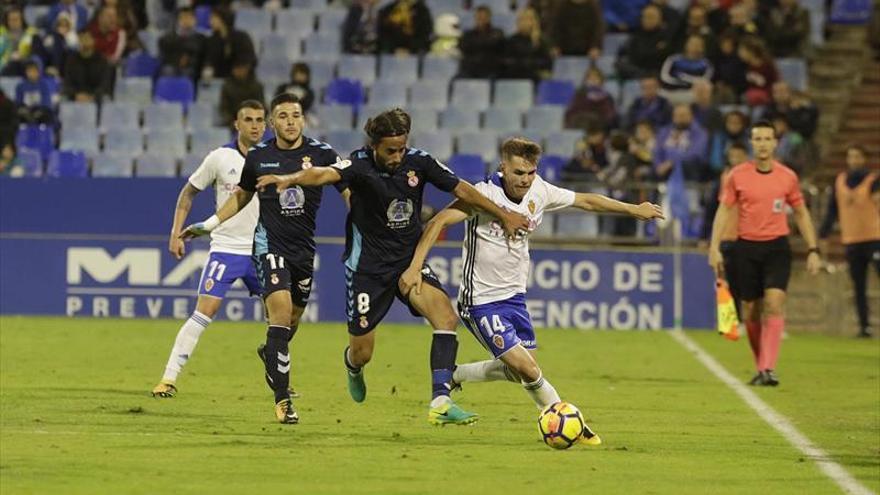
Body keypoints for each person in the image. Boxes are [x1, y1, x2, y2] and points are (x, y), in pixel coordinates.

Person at [253, 108, 531, 425]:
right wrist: (289, 178)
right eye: (390, 150)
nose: (397, 156)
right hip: (366, 271)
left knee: (445, 317)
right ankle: (352, 366)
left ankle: (440, 401)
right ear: (374, 146)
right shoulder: (358, 164)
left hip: (407, 263)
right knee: (363, 352)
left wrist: (503, 214)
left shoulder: (419, 162)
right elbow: (323, 174)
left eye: (401, 148)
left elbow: (462, 189)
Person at [399, 137, 663, 443]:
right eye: (518, 173)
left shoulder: (540, 190)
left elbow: (587, 200)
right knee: (530, 369)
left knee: (518, 372)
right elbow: (439, 221)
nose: (525, 180)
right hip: (480, 301)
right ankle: (565, 419)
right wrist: (415, 266)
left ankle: (456, 375)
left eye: (530, 173)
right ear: (503, 168)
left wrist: (634, 209)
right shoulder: (483, 195)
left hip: (515, 298)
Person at [180, 94, 344, 424]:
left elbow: (348, 184)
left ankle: (270, 351)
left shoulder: (322, 153)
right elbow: (241, 194)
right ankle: (283, 401)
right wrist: (210, 224)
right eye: (282, 116)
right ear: (273, 122)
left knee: (293, 318)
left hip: (303, 249)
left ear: (303, 119)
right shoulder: (260, 155)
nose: (290, 121)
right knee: (280, 314)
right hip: (269, 246)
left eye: (295, 115)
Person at [152, 100, 268, 399]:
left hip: (262, 250)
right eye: (249, 120)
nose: (255, 125)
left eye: (260, 120)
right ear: (236, 123)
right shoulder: (220, 157)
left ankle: (279, 376)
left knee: (283, 316)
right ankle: (168, 378)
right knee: (205, 310)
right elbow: (188, 193)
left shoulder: (272, 159)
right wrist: (175, 233)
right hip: (226, 249)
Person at [708, 120, 822, 387]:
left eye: (767, 139)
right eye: (757, 139)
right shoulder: (737, 175)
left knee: (774, 302)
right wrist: (714, 247)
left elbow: (802, 213)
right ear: (752, 142)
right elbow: (723, 211)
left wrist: (813, 248)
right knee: (750, 310)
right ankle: (763, 365)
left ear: (775, 143)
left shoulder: (788, 177)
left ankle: (768, 367)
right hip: (746, 248)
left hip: (777, 248)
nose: (762, 144)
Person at [818, 145, 880, 338]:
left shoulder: (873, 180)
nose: (853, 160)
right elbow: (832, 210)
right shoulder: (840, 181)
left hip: (874, 237)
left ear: (864, 158)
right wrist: (823, 233)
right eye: (850, 156)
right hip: (852, 239)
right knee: (858, 285)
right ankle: (864, 327)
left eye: (857, 156)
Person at [457, 5, 504, 79]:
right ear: (475, 18)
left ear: (489, 18)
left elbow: (496, 46)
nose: (481, 19)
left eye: (484, 16)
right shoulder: (467, 35)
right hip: (469, 71)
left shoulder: (498, 33)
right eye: (478, 16)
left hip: (491, 71)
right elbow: (463, 48)